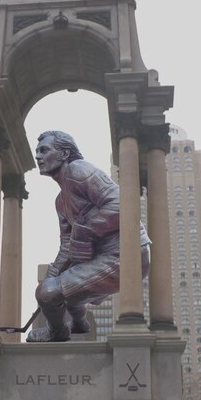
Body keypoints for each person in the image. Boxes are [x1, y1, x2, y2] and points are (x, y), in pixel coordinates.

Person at [26, 130, 150, 342]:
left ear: (64, 154)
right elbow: (67, 246)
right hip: (103, 257)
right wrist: (52, 276)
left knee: (49, 293)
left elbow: (121, 205)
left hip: (125, 254)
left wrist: (84, 229)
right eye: (37, 151)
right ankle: (80, 324)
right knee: (57, 287)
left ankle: (57, 332)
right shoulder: (60, 201)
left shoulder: (78, 170)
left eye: (44, 150)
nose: (38, 156)